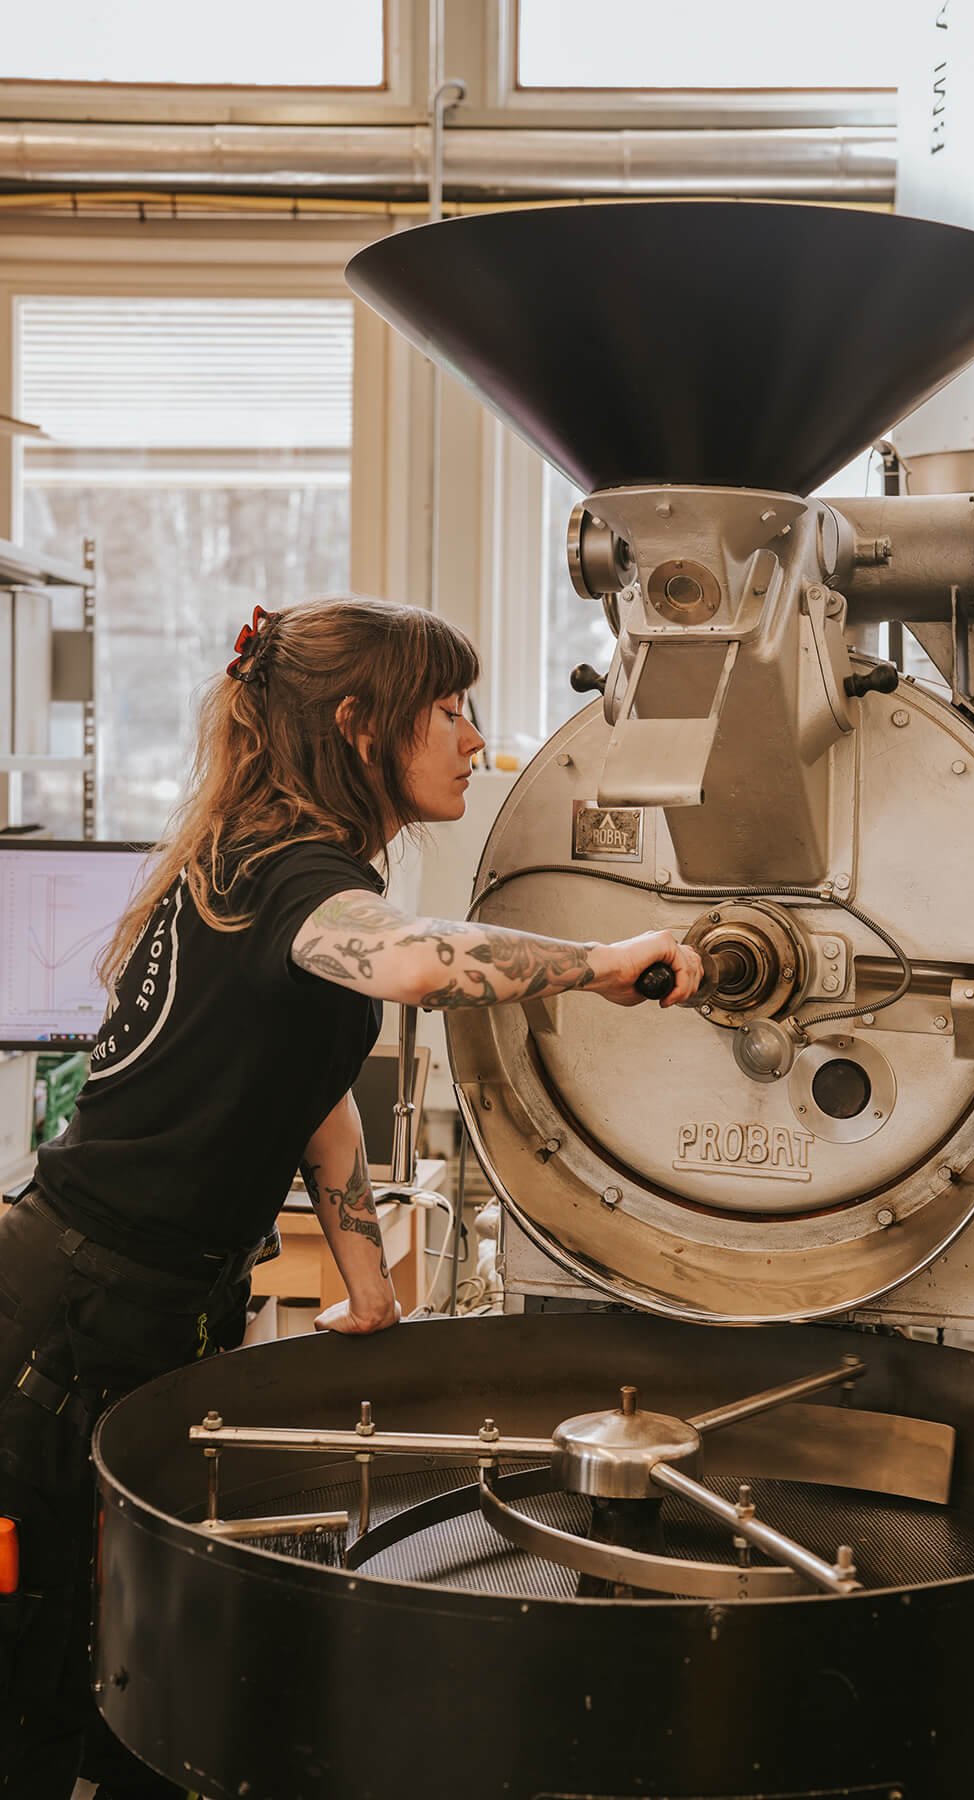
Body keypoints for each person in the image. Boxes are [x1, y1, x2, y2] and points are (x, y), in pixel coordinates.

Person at [0, 595, 703, 1798]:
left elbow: (314, 1093)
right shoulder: (292, 874)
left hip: (132, 1305)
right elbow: (419, 964)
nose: (474, 737)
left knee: (119, 1661)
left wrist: (370, 1288)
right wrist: (603, 966)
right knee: (41, 1682)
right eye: (448, 708)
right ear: (359, 724)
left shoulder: (266, 862)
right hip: (63, 1323)